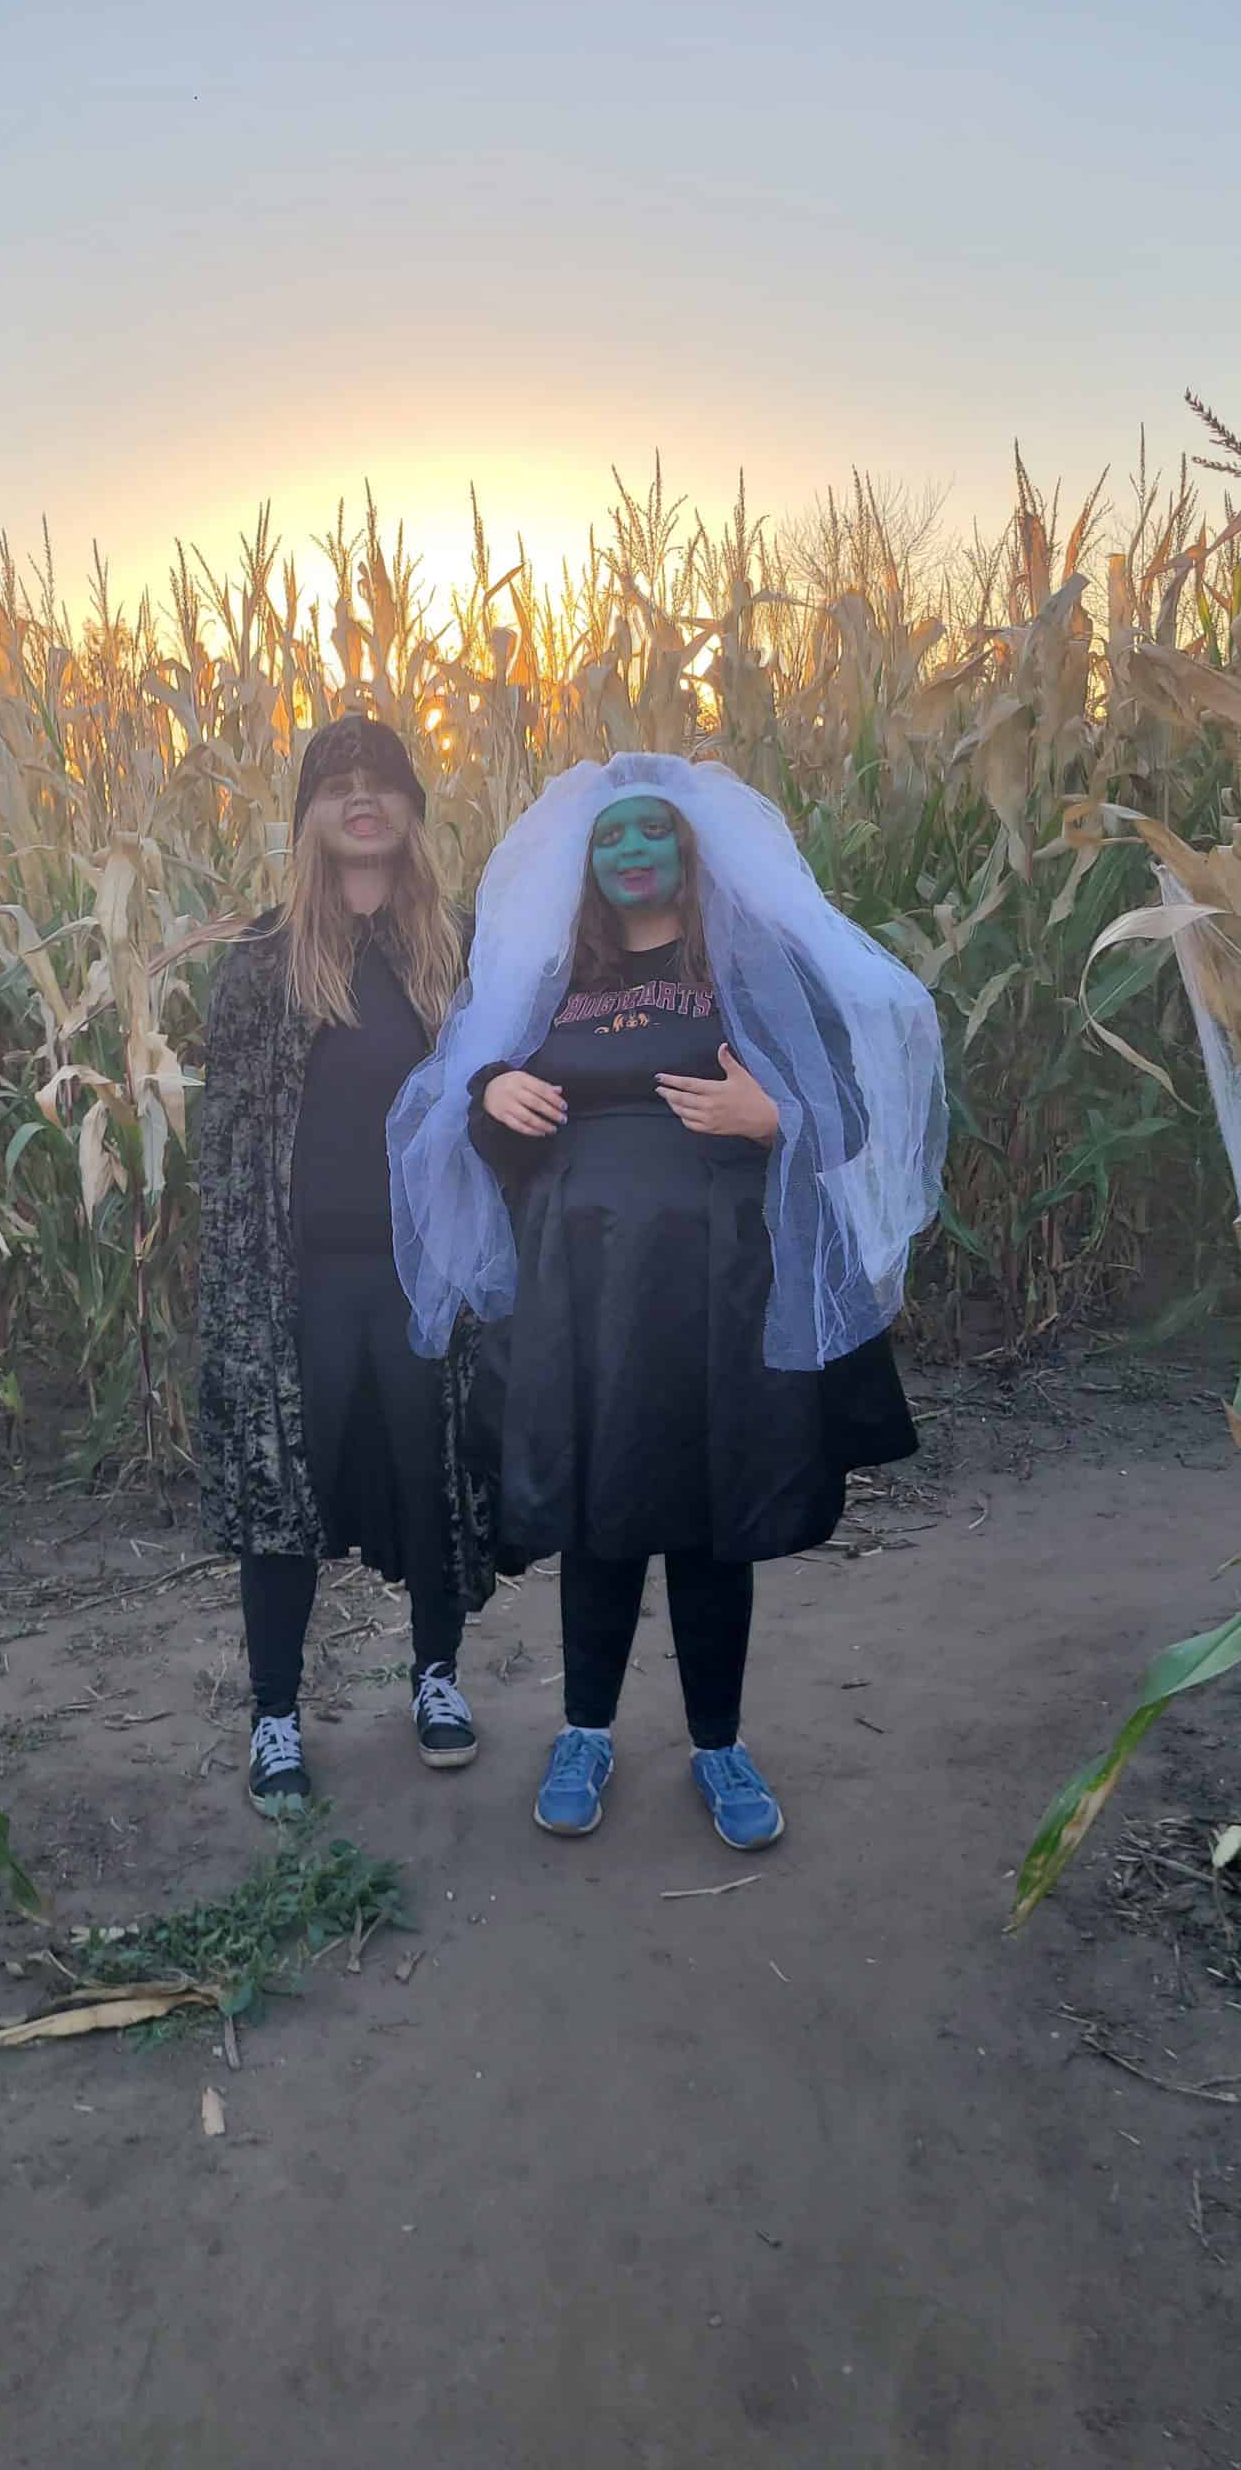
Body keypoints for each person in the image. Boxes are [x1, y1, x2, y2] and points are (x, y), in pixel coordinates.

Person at [389, 752, 945, 1850]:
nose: (633, 851)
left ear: (689, 845)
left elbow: (855, 1115)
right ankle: (584, 1730)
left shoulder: (750, 965)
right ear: (584, 862)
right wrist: (489, 1087)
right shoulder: (550, 978)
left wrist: (771, 1117)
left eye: (653, 831)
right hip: (582, 1287)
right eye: (612, 836)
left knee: (711, 1514)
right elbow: (483, 1135)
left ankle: (718, 1742)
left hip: (724, 1284)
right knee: (601, 1514)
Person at [197, 714, 497, 1814]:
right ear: (309, 817)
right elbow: (227, 1147)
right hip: (301, 1280)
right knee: (285, 1494)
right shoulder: (262, 963)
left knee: (435, 1478)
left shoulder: (459, 952)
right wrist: (236, 1298)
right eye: (337, 785)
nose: (361, 801)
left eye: (382, 785)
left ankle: (435, 1679)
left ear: (413, 809)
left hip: (428, 1278)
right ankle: (275, 1713)